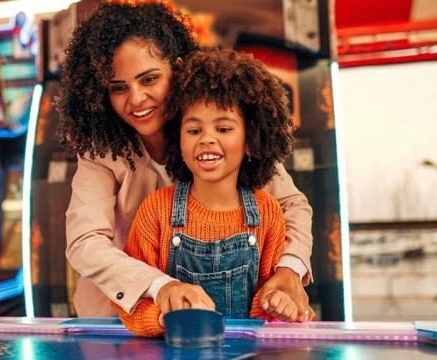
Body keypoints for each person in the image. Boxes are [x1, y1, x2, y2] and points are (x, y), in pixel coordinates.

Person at [58, 2, 314, 322]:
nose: (136, 98)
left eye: (149, 79)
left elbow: (292, 204)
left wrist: (290, 269)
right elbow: (85, 242)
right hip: (118, 318)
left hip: (221, 317)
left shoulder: (216, 129)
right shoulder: (101, 150)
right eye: (118, 87)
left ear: (177, 69)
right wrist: (160, 287)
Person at [115, 48, 298, 336]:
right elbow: (131, 301)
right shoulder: (156, 211)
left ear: (251, 140)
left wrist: (278, 304)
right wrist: (164, 317)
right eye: (193, 130)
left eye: (224, 129)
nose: (207, 139)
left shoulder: (268, 214)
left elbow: (269, 296)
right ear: (179, 140)